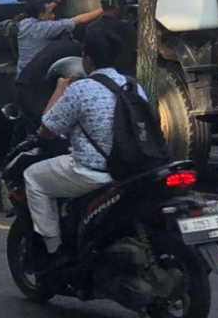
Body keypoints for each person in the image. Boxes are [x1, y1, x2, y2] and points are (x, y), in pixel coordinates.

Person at [24, 29, 143, 264]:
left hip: (92, 172)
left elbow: (47, 130)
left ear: (86, 59)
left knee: (33, 178)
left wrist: (60, 88)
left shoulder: (80, 89)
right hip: (130, 171)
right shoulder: (133, 86)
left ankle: (54, 250)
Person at [16, 0, 102, 74]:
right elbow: (77, 20)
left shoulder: (24, 23)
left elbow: (46, 9)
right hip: (36, 73)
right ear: (42, 16)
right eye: (50, 13)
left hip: (21, 71)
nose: (53, 15)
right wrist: (103, 9)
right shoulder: (46, 28)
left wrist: (57, 1)